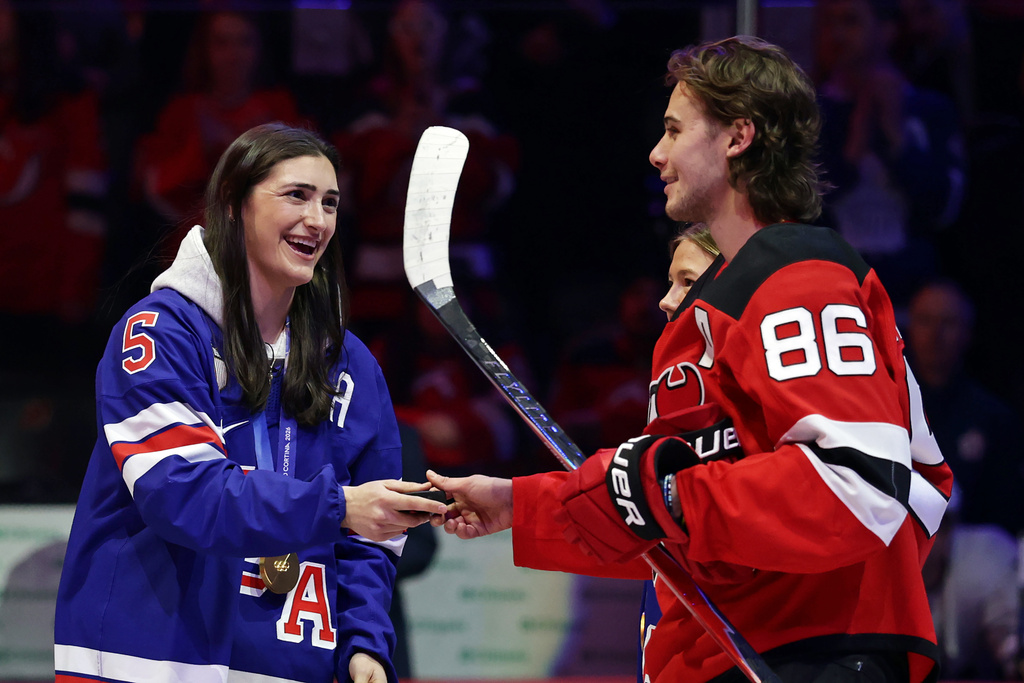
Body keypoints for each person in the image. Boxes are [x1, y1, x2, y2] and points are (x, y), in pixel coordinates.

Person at [425, 35, 954, 683]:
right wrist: (520, 503)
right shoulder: (713, 308)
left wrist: (667, 493)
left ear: (737, 137)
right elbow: (674, 528)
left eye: (675, 130)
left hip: (805, 653)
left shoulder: (796, 274)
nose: (656, 152)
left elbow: (857, 485)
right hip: (732, 653)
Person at [54, 123, 446, 683]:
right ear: (235, 206)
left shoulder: (351, 364)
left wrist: (364, 642)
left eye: (330, 203)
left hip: (291, 663)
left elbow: (377, 529)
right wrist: (337, 506)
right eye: (297, 195)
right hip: (147, 659)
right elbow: (180, 491)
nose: (318, 219)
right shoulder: (159, 334)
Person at [905, 278, 1023, 534]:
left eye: (948, 323)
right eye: (925, 321)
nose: (935, 334)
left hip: (970, 546)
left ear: (968, 333)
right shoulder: (882, 407)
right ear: (909, 329)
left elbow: (1006, 509)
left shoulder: (994, 418)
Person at [923, 485, 1020, 680]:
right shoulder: (862, 570)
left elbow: (1007, 643)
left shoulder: (984, 558)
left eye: (937, 525)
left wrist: (1013, 658)